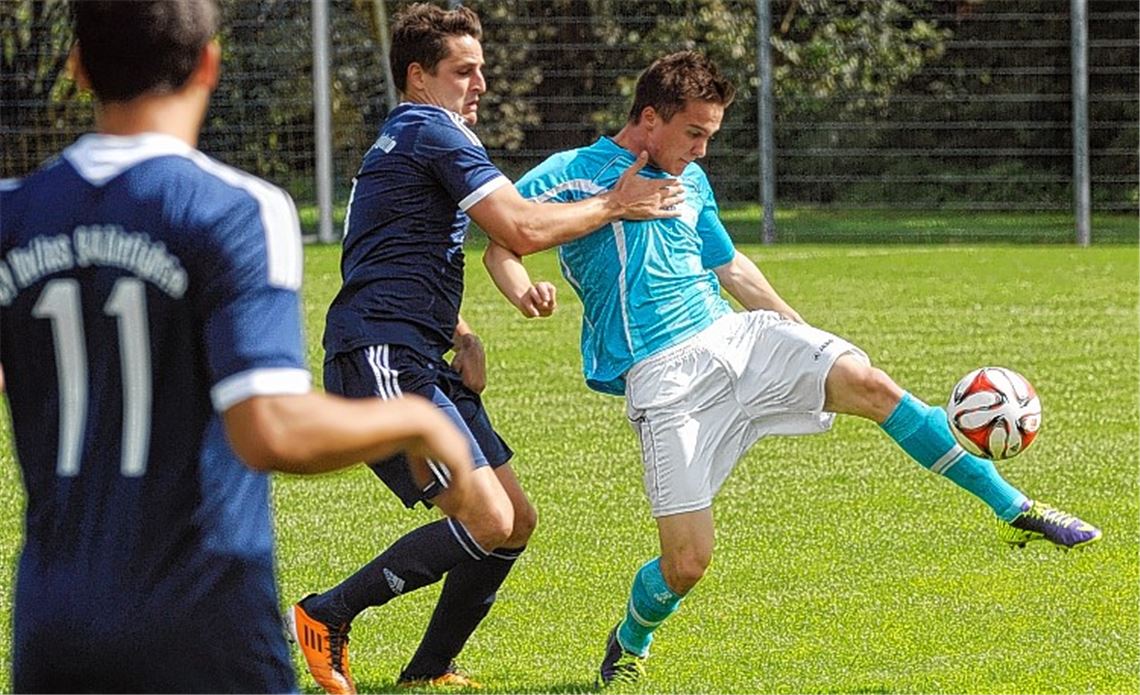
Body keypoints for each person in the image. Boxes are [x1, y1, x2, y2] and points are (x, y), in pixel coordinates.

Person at [484, 50, 1103, 688]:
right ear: (649, 118)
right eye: (693, 133)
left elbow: (730, 268)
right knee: (687, 564)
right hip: (663, 378)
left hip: (736, 336)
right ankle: (631, 639)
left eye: (709, 136)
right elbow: (505, 239)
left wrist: (800, 331)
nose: (701, 150)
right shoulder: (575, 173)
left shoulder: (692, 181)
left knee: (870, 384)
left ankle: (1015, 509)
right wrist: (523, 288)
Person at [0, 1, 477, 692]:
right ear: (209, 64)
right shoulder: (233, 210)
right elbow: (269, 429)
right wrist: (418, 420)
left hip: (52, 618)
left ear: (77, 69)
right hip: (203, 611)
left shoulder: (13, 215)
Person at [290, 3, 682, 693]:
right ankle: (326, 613)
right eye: (464, 70)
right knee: (487, 517)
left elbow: (395, 256)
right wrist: (614, 204)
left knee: (515, 519)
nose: (481, 84)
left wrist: (462, 332)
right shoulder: (431, 131)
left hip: (414, 352)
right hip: (381, 354)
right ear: (419, 76)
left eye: (481, 69)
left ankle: (427, 670)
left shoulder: (408, 137)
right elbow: (520, 228)